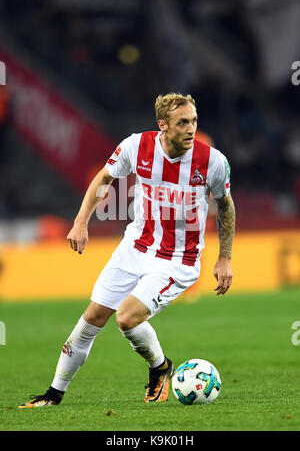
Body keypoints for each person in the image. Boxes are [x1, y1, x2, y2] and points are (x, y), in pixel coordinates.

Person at [19, 92, 235, 408]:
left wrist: (224, 258)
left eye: (194, 121)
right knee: (91, 318)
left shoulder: (213, 161)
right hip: (134, 248)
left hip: (177, 261)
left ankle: (160, 368)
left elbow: (226, 206)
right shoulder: (136, 147)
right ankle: (53, 395)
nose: (191, 129)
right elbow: (104, 178)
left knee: (126, 318)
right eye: (182, 123)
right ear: (163, 125)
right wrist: (81, 221)